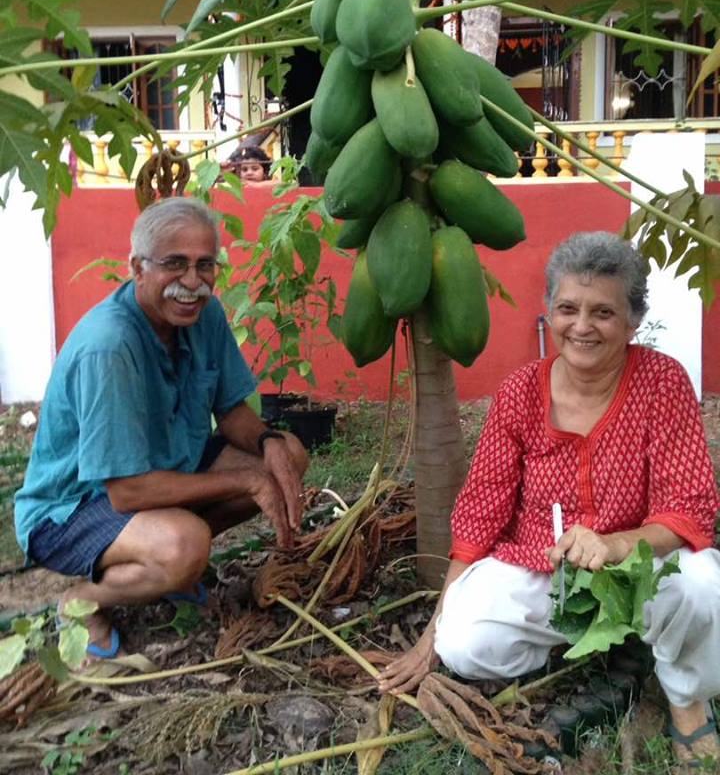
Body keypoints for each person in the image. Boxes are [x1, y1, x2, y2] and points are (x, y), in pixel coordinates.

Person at [377, 231, 720, 770]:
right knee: (465, 644)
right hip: (540, 568)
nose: (582, 326)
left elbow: (689, 505)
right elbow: (480, 512)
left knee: (702, 582)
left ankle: (686, 699)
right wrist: (433, 629)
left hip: (634, 568)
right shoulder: (519, 391)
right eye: (567, 308)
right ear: (549, 313)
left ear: (632, 321)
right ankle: (591, 641)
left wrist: (613, 544)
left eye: (603, 312)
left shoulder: (663, 382)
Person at [14, 197, 307, 659]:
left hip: (165, 466)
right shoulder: (109, 347)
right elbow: (126, 493)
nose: (192, 282)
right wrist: (246, 479)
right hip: (74, 508)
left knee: (286, 455)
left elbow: (231, 409)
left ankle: (168, 571)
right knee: (187, 544)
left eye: (205, 265)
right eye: (175, 264)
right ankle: (82, 601)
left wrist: (267, 443)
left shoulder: (201, 313)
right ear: (138, 267)